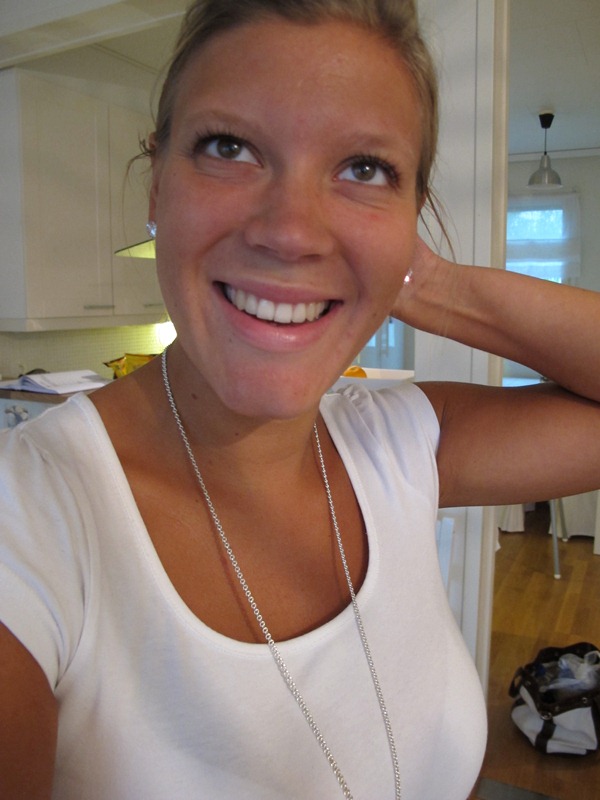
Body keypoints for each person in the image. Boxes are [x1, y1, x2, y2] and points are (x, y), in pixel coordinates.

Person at [1, 1, 599, 798]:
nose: (290, 232)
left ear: (413, 217)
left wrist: (422, 279)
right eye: (229, 147)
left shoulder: (398, 441)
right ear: (156, 183)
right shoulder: (30, 519)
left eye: (365, 170)